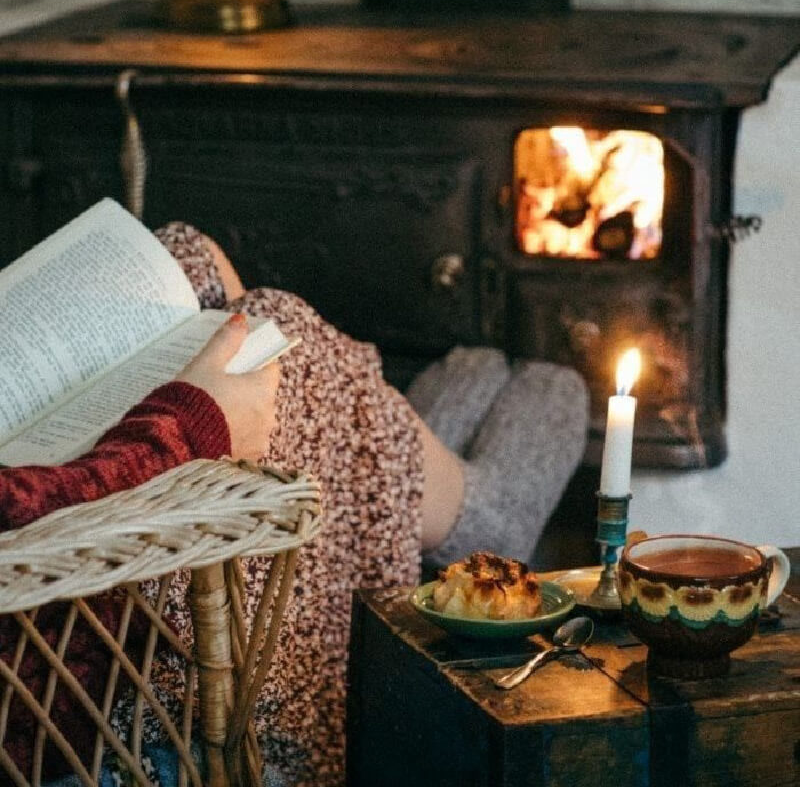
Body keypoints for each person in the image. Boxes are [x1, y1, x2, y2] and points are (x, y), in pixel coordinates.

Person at [0, 222, 589, 787]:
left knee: (189, 257)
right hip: (65, 647)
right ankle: (480, 513)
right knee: (278, 337)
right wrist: (200, 420)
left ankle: (411, 457)